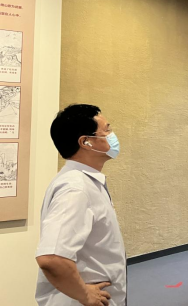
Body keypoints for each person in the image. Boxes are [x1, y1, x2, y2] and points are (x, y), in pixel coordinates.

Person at [35, 104, 126, 306]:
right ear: (86, 142)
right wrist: (85, 294)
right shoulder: (76, 189)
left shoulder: (83, 181)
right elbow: (51, 258)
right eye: (106, 130)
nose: (112, 135)